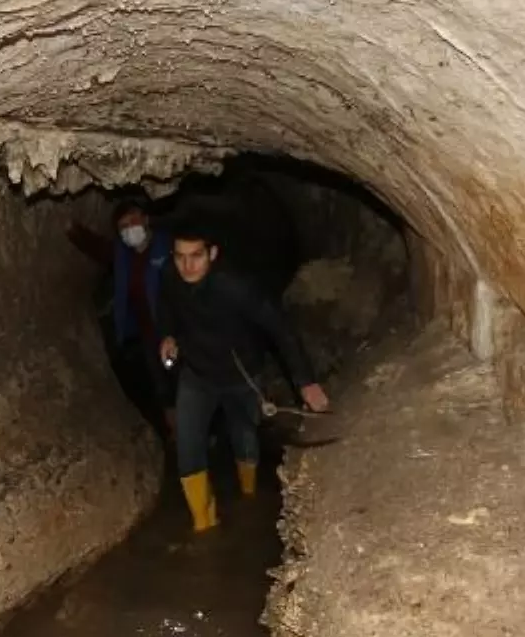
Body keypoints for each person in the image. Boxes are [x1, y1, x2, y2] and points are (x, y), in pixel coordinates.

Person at [157, 219, 329, 533]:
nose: (187, 265)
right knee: (188, 443)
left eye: (196, 255)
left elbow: (280, 328)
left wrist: (306, 381)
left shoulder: (236, 287)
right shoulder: (170, 276)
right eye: (180, 256)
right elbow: (166, 306)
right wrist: (167, 335)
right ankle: (203, 524)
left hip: (242, 374)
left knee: (245, 436)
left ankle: (249, 498)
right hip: (197, 374)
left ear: (213, 253)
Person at [67, 196, 176, 441]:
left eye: (133, 221)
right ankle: (179, 437)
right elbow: (100, 249)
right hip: (149, 334)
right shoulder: (124, 257)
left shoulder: (168, 247)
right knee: (162, 388)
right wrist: (73, 230)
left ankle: (201, 432)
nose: (130, 230)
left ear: (146, 219)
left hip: (176, 332)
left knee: (186, 382)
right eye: (123, 227)